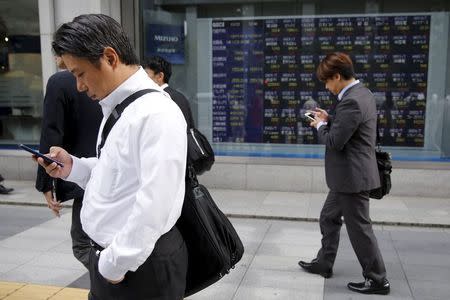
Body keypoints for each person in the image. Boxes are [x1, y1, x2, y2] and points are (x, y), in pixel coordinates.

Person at [37, 14, 188, 300]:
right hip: (119, 262)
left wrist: (113, 264)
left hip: (138, 271)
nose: (79, 86)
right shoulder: (121, 107)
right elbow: (117, 172)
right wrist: (74, 167)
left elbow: (155, 204)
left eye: (79, 73)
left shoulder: (156, 114)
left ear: (110, 57)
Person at [298, 52, 390, 295]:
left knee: (359, 228)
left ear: (337, 76)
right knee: (329, 217)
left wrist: (319, 125)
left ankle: (378, 279)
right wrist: (331, 118)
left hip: (352, 177)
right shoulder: (362, 93)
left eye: (327, 81)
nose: (327, 87)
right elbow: (350, 126)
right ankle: (324, 263)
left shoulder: (351, 100)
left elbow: (335, 141)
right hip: (348, 176)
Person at [35, 57, 102, 269]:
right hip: (103, 170)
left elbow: (51, 133)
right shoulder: (105, 81)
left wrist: (46, 183)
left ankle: (112, 285)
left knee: (83, 245)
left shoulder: (59, 82)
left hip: (81, 176)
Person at [142, 55, 195, 129]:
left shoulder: (164, 97)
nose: (142, 79)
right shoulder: (178, 97)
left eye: (145, 74)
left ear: (160, 76)